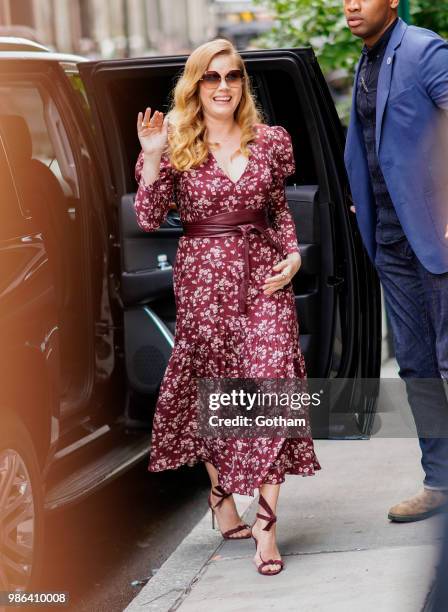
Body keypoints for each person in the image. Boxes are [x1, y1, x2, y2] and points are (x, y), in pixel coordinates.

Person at [133, 38, 321, 575]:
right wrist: (149, 157)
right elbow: (148, 218)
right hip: (204, 283)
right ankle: (221, 499)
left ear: (243, 82)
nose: (223, 86)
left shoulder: (271, 141)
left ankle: (266, 526)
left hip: (264, 280)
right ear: (196, 85)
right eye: (211, 77)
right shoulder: (174, 143)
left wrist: (294, 256)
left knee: (275, 386)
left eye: (233, 76)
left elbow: (280, 211)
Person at [344, 0, 448, 521]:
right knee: (417, 367)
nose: (351, 4)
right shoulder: (367, 59)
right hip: (390, 242)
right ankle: (440, 482)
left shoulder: (424, 50)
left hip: (436, 238)